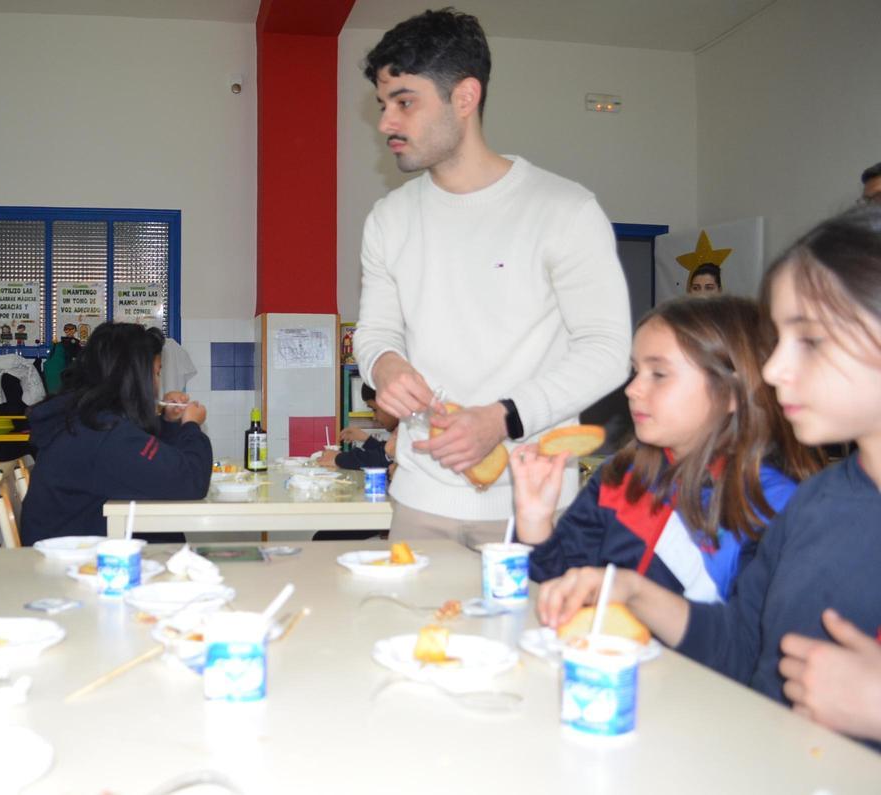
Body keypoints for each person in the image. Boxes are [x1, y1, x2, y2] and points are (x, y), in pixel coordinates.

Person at [537, 207, 881, 748]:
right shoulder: (820, 503)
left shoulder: (779, 501)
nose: (770, 371)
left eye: (808, 339)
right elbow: (744, 648)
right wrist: (627, 589)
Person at [353, 9, 631, 546]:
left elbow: (607, 349)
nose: (387, 121)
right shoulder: (388, 218)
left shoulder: (564, 209)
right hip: (418, 500)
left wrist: (504, 418)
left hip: (535, 502)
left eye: (405, 101)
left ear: (464, 97)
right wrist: (384, 364)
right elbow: (376, 332)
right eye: (384, 104)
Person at [511, 296, 819, 601]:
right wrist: (535, 523)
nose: (632, 389)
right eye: (635, 371)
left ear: (731, 394)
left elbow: (752, 639)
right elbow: (560, 592)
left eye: (658, 374)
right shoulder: (621, 476)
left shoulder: (775, 508)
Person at [20, 322, 212, 543]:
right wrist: (191, 426)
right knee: (169, 541)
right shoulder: (103, 432)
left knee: (168, 537)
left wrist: (169, 421)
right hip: (70, 563)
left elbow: (150, 462)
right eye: (157, 373)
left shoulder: (87, 418)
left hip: (74, 544)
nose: (158, 384)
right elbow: (190, 481)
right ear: (136, 378)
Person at [317, 383, 400, 471]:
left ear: (392, 403)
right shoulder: (404, 430)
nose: (374, 418)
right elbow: (387, 453)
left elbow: (380, 459)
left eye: (374, 409)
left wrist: (338, 458)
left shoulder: (412, 430)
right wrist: (367, 439)